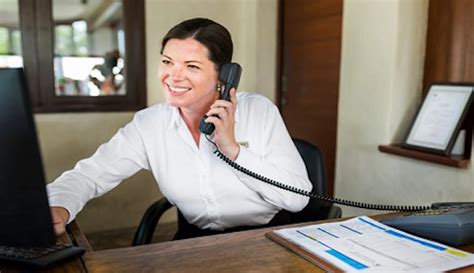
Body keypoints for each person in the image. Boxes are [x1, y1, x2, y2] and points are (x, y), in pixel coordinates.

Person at [48, 18, 312, 239]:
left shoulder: (259, 111)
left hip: (266, 236)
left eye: (192, 66)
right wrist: (59, 206)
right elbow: (89, 175)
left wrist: (233, 150)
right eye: (167, 62)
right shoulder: (149, 124)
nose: (173, 76)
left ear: (224, 75)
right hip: (194, 240)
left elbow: (298, 198)